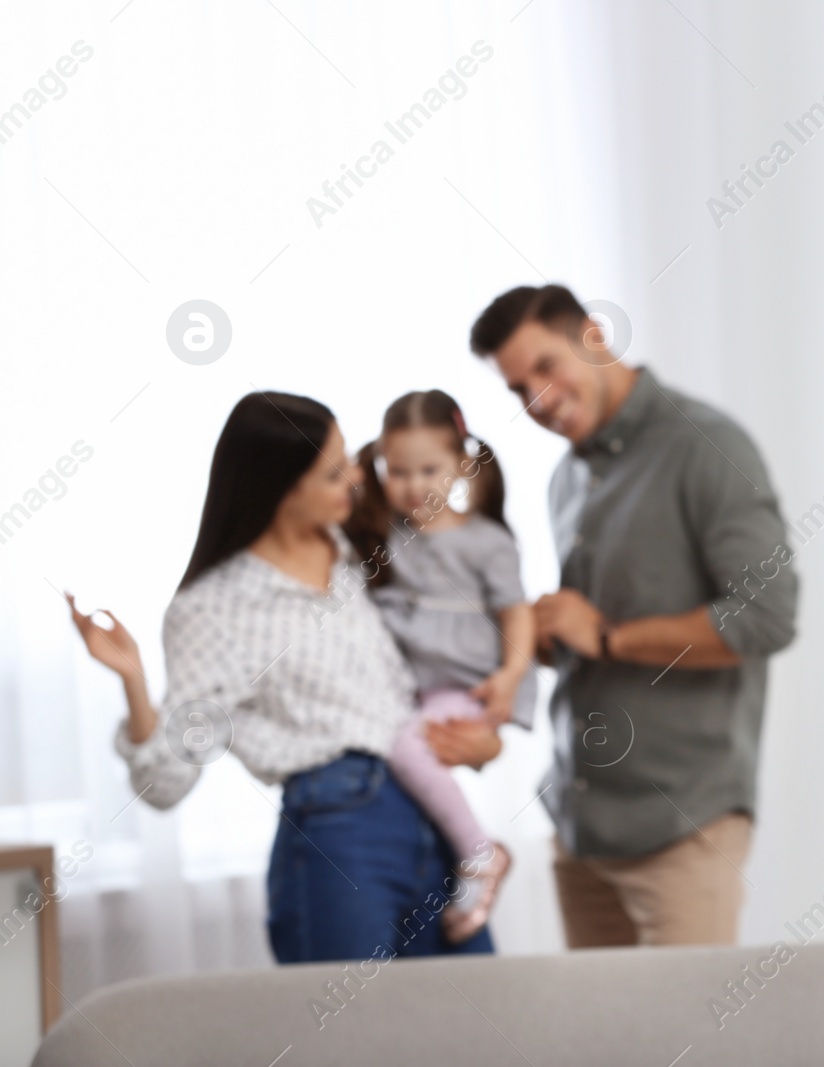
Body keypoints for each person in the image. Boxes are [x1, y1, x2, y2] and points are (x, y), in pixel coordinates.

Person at [66, 391, 503, 962]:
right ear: (279, 489)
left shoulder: (360, 552)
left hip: (429, 821)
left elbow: (438, 655)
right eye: (331, 473)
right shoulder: (215, 608)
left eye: (347, 459)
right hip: (338, 834)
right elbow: (165, 786)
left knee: (471, 1035)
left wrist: (480, 737)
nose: (354, 478)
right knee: (352, 1047)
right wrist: (134, 681)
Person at [469, 284, 799, 947]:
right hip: (580, 829)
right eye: (516, 388)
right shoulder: (566, 478)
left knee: (693, 1047)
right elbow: (586, 640)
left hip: (682, 829)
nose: (537, 397)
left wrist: (610, 635)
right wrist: (536, 639)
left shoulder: (705, 444)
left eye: (545, 367)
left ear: (594, 336)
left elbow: (766, 616)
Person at [345, 389, 536, 944]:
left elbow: (516, 614)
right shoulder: (385, 535)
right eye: (397, 471)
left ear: (460, 464)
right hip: (413, 686)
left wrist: (510, 676)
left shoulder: (485, 541)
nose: (413, 485)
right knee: (396, 749)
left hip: (469, 682)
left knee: (408, 746)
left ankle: (481, 852)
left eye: (429, 469)